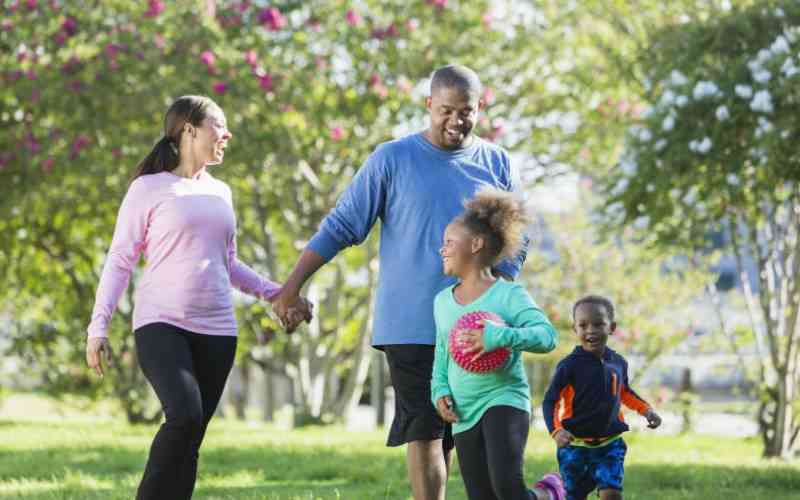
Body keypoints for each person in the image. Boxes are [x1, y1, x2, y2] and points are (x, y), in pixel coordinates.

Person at [272, 64, 529, 500]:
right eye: (445, 110)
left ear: (480, 108)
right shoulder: (391, 159)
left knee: (471, 436)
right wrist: (292, 286)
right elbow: (342, 225)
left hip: (478, 329)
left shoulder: (496, 162)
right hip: (411, 324)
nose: (455, 121)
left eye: (465, 111)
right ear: (428, 105)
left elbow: (517, 243)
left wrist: (494, 295)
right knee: (426, 431)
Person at [84, 95, 311, 500]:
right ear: (189, 129)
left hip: (218, 331)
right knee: (184, 416)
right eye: (218, 126)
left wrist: (281, 295)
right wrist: (98, 326)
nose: (226, 134)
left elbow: (229, 264)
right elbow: (120, 260)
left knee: (190, 442)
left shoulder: (221, 192)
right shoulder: (148, 188)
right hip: (162, 323)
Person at [431, 187, 565, 500]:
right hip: (464, 411)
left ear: (475, 245)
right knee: (481, 496)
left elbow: (547, 336)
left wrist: (498, 336)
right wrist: (439, 391)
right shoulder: (441, 302)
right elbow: (442, 353)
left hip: (504, 398)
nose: (442, 249)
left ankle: (549, 494)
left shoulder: (508, 294)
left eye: (449, 242)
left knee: (507, 488)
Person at [542, 295, 662, 500]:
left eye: (598, 324)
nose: (591, 330)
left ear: (611, 327)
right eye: (583, 325)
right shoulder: (569, 365)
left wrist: (646, 410)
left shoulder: (618, 362)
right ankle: (553, 489)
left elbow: (624, 392)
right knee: (574, 495)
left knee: (612, 493)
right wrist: (555, 431)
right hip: (575, 446)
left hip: (610, 443)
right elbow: (550, 400)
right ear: (575, 329)